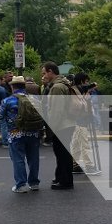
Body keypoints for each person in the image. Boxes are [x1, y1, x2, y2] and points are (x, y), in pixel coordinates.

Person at [0, 76, 41, 193]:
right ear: (24, 86)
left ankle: (21, 185)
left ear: (12, 86)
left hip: (15, 134)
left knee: (18, 159)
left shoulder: (7, 101)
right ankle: (34, 183)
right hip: (33, 133)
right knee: (34, 159)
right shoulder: (35, 99)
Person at [43, 61, 77, 190]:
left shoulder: (57, 87)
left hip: (61, 125)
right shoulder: (64, 84)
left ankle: (65, 181)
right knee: (63, 153)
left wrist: (52, 128)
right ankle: (61, 177)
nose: (43, 76)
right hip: (68, 123)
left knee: (62, 155)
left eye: (44, 73)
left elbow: (56, 111)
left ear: (50, 72)